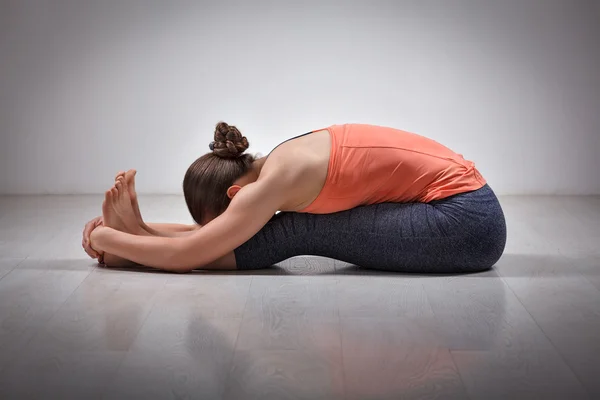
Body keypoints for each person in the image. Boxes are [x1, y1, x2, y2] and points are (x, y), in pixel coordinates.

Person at [83, 122, 506, 273]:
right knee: (287, 228)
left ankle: (133, 249)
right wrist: (144, 230)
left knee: (292, 232)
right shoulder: (279, 160)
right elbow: (206, 239)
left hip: (466, 224)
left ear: (236, 193)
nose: (231, 229)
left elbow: (193, 252)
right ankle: (139, 242)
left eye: (225, 220)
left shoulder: (269, 187)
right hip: (467, 209)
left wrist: (108, 240)